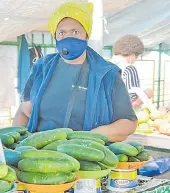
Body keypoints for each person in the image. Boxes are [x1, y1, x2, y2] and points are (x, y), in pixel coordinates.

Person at [12, 2, 137, 142]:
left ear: (86, 35)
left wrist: (91, 137)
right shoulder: (41, 67)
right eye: (62, 32)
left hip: (87, 156)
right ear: (56, 36)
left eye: (75, 32)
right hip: (41, 156)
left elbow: (128, 123)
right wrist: (15, 144)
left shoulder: (107, 74)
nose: (68, 37)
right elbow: (24, 111)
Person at [112, 35, 153, 110]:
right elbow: (133, 99)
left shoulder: (107, 65)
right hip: (124, 114)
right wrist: (146, 96)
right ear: (133, 54)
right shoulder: (129, 68)